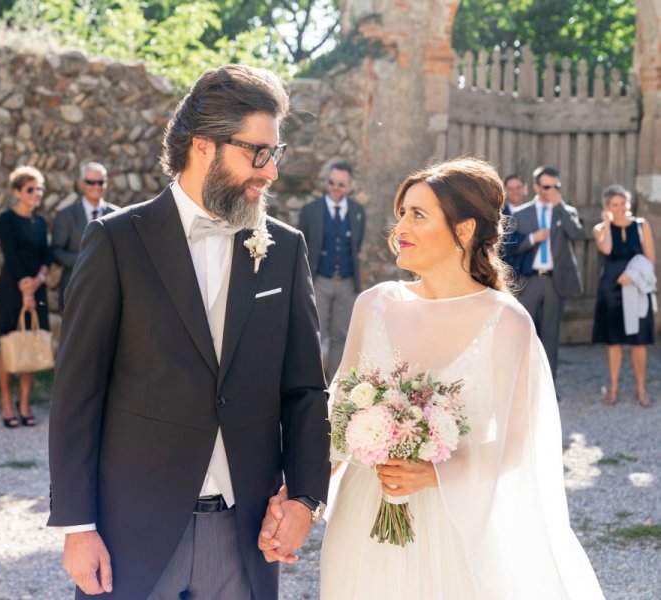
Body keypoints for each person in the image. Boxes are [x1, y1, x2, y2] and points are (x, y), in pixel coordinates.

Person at [260, 158, 604, 599]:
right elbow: (337, 420)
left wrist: (434, 474)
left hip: (452, 525)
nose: (400, 226)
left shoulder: (507, 323)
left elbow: (517, 446)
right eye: (401, 212)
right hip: (363, 521)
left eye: (418, 215)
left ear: (463, 230)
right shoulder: (374, 305)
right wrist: (297, 497)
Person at [48, 64, 330, 600]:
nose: (270, 172)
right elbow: (77, 394)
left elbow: (304, 389)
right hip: (134, 531)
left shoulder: (285, 249)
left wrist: (305, 499)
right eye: (257, 152)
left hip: (245, 535)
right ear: (204, 145)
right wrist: (77, 527)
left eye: (275, 153)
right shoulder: (115, 241)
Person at [506, 166, 585, 382]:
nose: (552, 190)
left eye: (556, 186)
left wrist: (559, 205)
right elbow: (509, 247)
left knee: (551, 337)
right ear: (536, 187)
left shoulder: (565, 211)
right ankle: (522, 386)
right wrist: (532, 239)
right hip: (529, 281)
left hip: (554, 282)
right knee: (523, 333)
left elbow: (577, 233)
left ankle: (549, 389)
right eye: (547, 186)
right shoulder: (520, 214)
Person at [298, 162, 366, 379]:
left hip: (347, 282)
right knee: (315, 333)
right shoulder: (311, 211)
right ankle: (312, 380)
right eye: (332, 183)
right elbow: (303, 245)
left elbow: (356, 246)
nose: (335, 187)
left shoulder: (358, 212)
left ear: (349, 186)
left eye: (341, 184)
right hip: (319, 280)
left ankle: (335, 381)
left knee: (341, 335)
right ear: (327, 183)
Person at [0, 166, 51, 428]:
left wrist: (37, 282)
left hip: (35, 288)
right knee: (9, 343)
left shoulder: (39, 222)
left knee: (30, 341)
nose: (36, 193)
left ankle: (25, 403)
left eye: (39, 188)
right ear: (17, 192)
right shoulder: (6, 220)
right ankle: (7, 403)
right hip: (12, 287)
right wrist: (24, 288)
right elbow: (11, 255)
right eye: (31, 189)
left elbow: (46, 256)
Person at [591, 184, 655, 407]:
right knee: (614, 342)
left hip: (636, 289)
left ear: (628, 203)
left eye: (622, 203)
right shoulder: (600, 228)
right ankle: (614, 389)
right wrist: (607, 223)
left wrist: (633, 276)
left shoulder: (642, 226)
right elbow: (607, 249)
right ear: (607, 207)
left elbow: (650, 260)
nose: (619, 208)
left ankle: (641, 390)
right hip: (612, 291)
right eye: (614, 205)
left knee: (639, 343)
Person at [51, 162, 119, 314]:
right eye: (91, 182)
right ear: (82, 184)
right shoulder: (66, 215)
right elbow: (56, 252)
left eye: (100, 182)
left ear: (106, 184)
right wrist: (86, 260)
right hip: (75, 288)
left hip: (109, 291)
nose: (96, 186)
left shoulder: (117, 214)